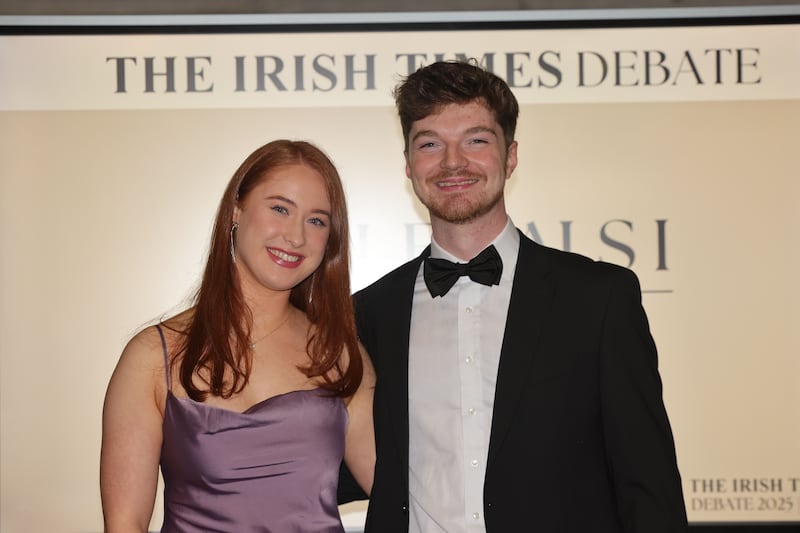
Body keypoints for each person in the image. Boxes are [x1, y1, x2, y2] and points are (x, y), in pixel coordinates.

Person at [339, 60, 688, 532]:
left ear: (511, 155)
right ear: (408, 163)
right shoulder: (368, 314)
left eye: (476, 140)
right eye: (430, 144)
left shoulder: (599, 299)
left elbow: (648, 486)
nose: (452, 162)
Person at [101, 139, 375, 532]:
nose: (295, 236)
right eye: (280, 208)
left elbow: (399, 497)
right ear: (236, 209)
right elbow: (124, 524)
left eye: (317, 220)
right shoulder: (153, 356)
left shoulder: (341, 356)